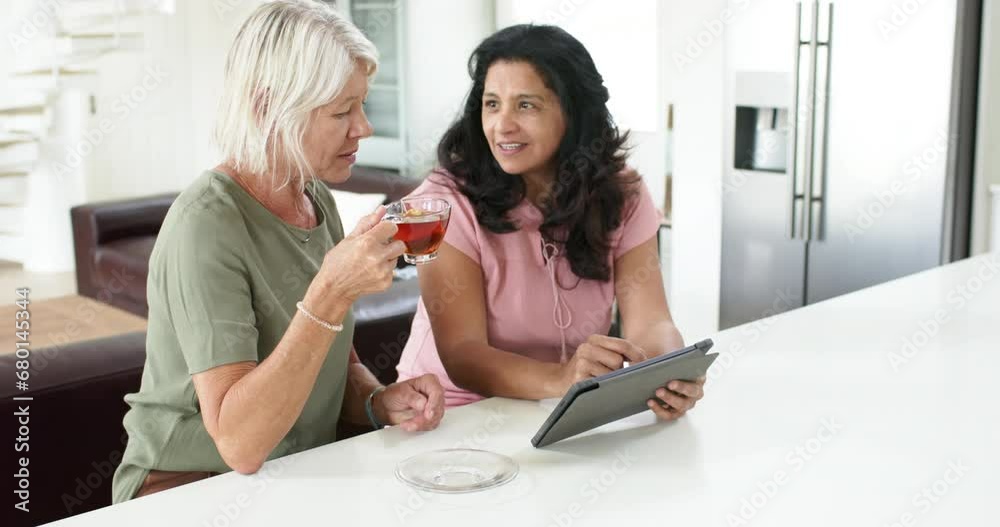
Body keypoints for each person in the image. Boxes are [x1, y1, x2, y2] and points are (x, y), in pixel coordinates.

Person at [112, 0, 444, 503]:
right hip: (187, 489)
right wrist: (331, 291)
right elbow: (240, 444)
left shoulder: (317, 199)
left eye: (363, 104)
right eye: (341, 111)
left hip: (294, 473)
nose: (364, 127)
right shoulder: (206, 225)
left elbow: (335, 363)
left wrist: (379, 401)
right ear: (268, 105)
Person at [395, 24, 705, 419]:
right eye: (492, 104)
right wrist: (561, 378)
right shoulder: (433, 205)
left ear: (573, 112)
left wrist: (666, 371)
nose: (502, 125)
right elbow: (462, 355)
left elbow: (651, 321)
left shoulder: (623, 192)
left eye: (526, 105)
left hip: (565, 409)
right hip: (448, 414)